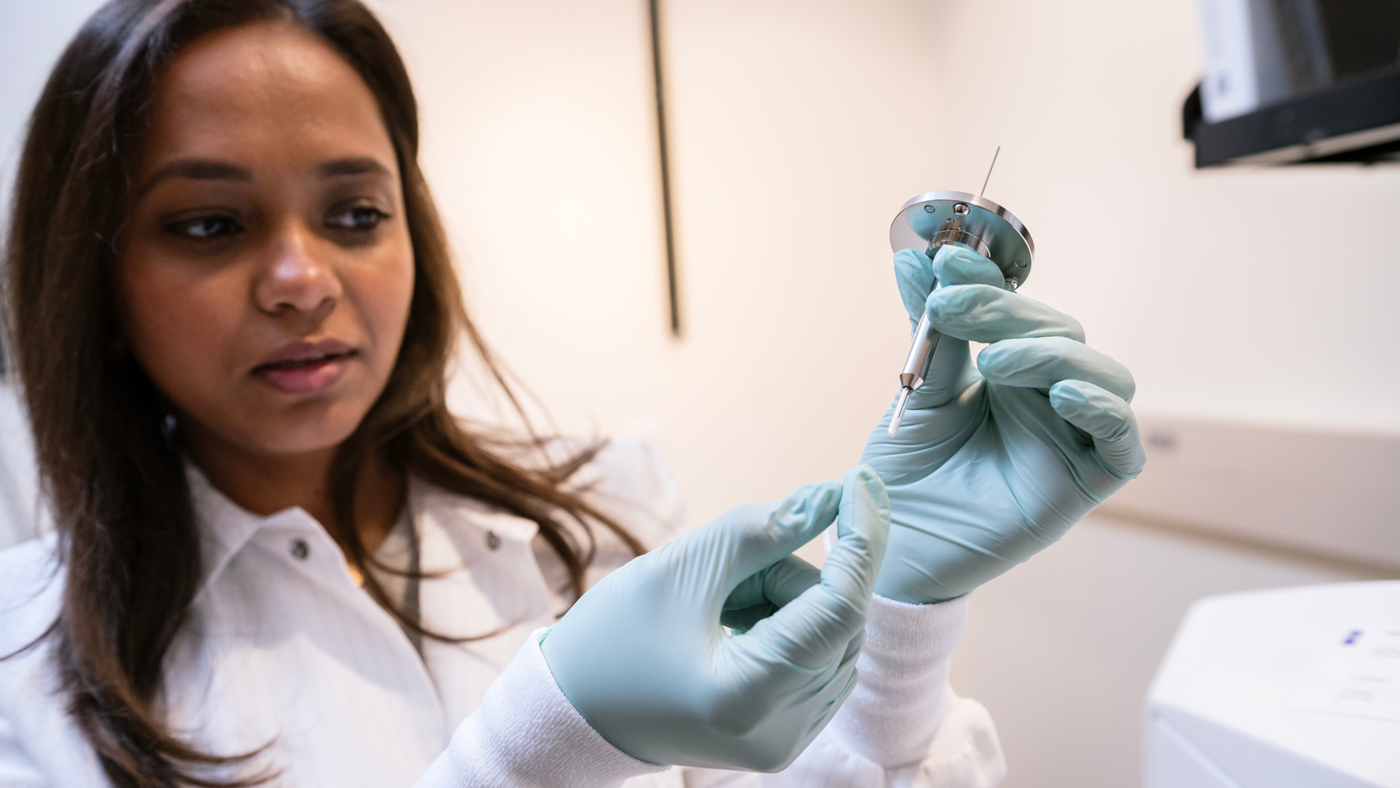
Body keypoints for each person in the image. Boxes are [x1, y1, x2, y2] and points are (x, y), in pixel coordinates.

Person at [0, 1, 1145, 786]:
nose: (302, 280)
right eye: (209, 223)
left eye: (356, 213)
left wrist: (893, 607)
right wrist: (538, 743)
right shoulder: (19, 671)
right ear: (92, 272)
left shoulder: (599, 517)